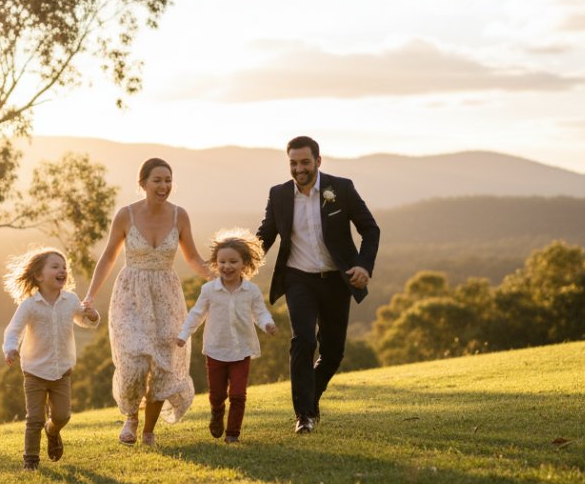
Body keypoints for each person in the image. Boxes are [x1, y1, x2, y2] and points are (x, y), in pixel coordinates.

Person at [83, 157, 214, 446]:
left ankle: (149, 431)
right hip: (130, 294)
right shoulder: (125, 215)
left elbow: (191, 257)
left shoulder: (180, 216)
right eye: (157, 180)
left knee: (164, 363)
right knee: (133, 361)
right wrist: (90, 295)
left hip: (166, 295)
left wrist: (218, 279)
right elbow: (108, 257)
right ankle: (131, 416)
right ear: (142, 183)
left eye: (168, 180)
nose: (164, 185)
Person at [257, 136, 380, 434]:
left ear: (318, 161)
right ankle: (304, 415)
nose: (299, 169)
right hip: (299, 279)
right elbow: (265, 235)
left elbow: (370, 229)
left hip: (337, 280)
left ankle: (310, 399)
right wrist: (235, 262)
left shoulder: (342, 188)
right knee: (303, 341)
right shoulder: (279, 195)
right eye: (293, 163)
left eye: (304, 162)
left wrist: (364, 265)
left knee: (333, 352)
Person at [2, 247, 100, 470]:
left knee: (63, 415)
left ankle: (52, 430)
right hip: (34, 371)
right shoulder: (29, 305)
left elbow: (83, 320)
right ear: (39, 276)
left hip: (62, 371)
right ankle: (31, 461)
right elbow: (13, 330)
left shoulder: (71, 300)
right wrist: (10, 348)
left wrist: (92, 316)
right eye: (55, 267)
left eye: (64, 267)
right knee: (34, 418)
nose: (62, 271)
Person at [176, 229, 277, 444]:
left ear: (244, 264)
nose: (227, 266)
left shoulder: (251, 291)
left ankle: (232, 434)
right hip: (216, 351)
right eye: (222, 262)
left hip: (241, 351)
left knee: (238, 395)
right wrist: (184, 334)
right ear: (215, 263)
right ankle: (217, 413)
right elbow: (197, 314)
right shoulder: (209, 290)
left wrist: (267, 324)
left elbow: (259, 312)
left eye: (233, 261)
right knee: (217, 395)